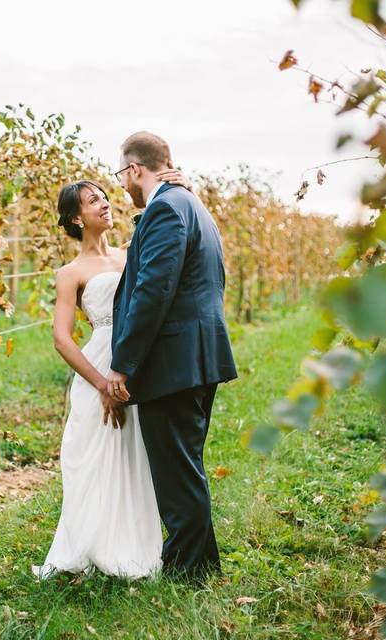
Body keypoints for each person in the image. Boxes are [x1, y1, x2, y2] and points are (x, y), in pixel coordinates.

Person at [32, 167, 197, 580]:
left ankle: (135, 549)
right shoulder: (69, 274)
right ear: (76, 217)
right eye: (93, 200)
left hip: (138, 365)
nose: (105, 203)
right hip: (98, 368)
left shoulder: (131, 251)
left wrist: (182, 190)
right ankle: (91, 547)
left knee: (136, 456)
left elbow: (170, 242)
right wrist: (101, 382)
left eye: (105, 196)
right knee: (92, 456)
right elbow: (62, 339)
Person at [107, 131, 238, 580]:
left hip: (174, 360)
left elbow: (152, 290)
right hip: (197, 354)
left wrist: (124, 361)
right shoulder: (191, 204)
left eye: (121, 174)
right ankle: (200, 563)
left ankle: (188, 572)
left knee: (177, 471)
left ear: (134, 169)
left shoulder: (164, 208)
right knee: (186, 466)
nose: (122, 186)